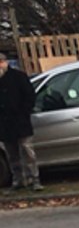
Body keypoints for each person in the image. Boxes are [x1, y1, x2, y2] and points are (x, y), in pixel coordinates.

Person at [0, 56, 41, 192]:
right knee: (12, 155)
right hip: (5, 125)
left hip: (20, 122)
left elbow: (30, 96)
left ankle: (34, 179)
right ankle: (18, 180)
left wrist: (24, 112)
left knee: (28, 152)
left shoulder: (19, 77)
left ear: (4, 63)